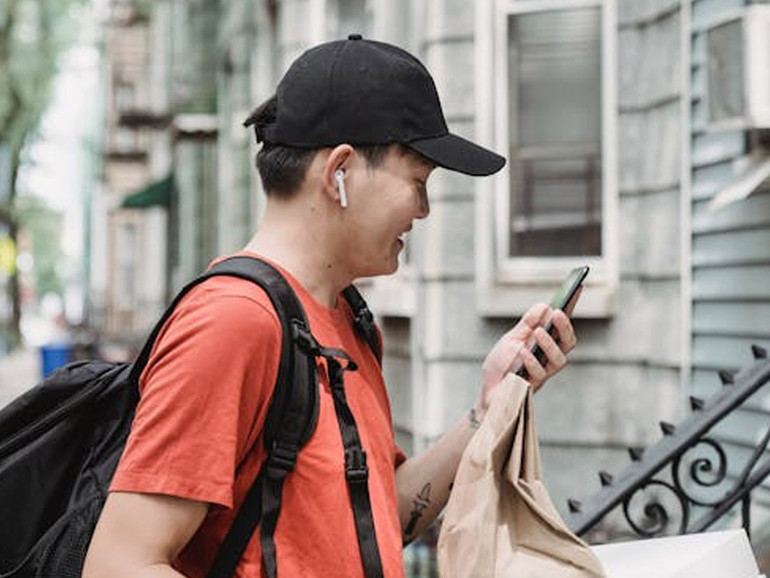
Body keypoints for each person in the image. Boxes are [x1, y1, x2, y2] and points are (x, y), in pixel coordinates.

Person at [83, 35, 577, 578]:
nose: (424, 208)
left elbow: (375, 518)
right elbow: (118, 564)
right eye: (417, 181)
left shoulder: (348, 321)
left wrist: (489, 408)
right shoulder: (232, 323)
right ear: (339, 171)